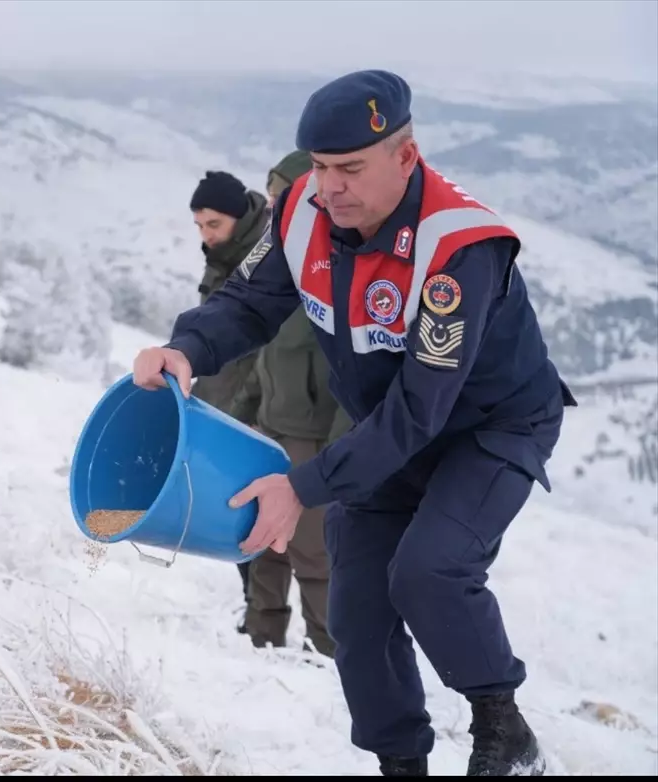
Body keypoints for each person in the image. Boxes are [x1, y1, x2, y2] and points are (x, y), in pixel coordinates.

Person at [132, 70, 576, 777]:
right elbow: (249, 302)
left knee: (429, 570)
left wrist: (302, 485)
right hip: (387, 430)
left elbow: (420, 409)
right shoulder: (301, 211)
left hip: (489, 429)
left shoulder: (457, 251)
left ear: (406, 156)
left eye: (350, 168)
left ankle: (504, 727)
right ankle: (400, 760)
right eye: (321, 166)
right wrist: (186, 348)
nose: (330, 186)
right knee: (357, 600)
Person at [227, 149, 352, 659]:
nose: (276, 207)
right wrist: (236, 420)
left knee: (314, 555)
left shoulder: (338, 276)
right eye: (275, 198)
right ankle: (261, 639)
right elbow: (264, 362)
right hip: (266, 432)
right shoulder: (284, 271)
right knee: (262, 544)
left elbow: (356, 384)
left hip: (315, 443)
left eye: (286, 197)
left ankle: (328, 654)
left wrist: (337, 460)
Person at [184, 170, 271, 633]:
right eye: (199, 226)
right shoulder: (221, 258)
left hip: (259, 410)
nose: (206, 235)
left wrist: (258, 412)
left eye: (213, 224)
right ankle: (258, 620)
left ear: (239, 217)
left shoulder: (265, 259)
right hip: (222, 402)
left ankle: (300, 634)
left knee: (279, 522)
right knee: (240, 513)